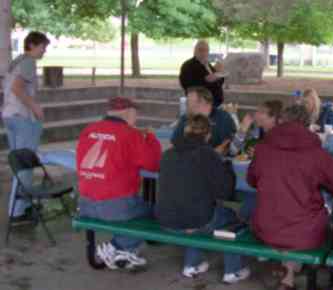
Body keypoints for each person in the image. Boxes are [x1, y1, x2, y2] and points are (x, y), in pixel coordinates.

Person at [247, 105, 333, 290]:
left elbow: (251, 180)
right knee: (320, 212)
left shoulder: (263, 148)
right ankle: (301, 269)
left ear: (281, 121)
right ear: (308, 124)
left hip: (266, 227)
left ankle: (288, 273)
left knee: (290, 212)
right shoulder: (316, 153)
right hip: (304, 232)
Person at [156, 114, 250, 283]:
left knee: (192, 209)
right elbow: (225, 192)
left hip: (166, 220)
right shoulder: (207, 155)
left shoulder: (167, 154)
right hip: (195, 220)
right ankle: (233, 270)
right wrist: (224, 164)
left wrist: (214, 158)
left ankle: (192, 264)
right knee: (236, 217)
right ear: (208, 134)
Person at [76, 97, 162, 269]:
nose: (136, 117)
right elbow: (154, 164)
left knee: (134, 208)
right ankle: (117, 246)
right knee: (159, 214)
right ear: (129, 113)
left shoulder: (88, 130)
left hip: (85, 203)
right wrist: (150, 137)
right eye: (135, 113)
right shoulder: (131, 134)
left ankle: (126, 252)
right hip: (116, 207)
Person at [3, 31, 49, 221]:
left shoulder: (17, 60)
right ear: (31, 45)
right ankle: (20, 209)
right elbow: (17, 88)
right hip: (23, 119)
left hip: (9, 116)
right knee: (26, 165)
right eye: (42, 47)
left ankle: (19, 206)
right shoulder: (29, 62)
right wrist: (35, 107)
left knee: (18, 163)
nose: (44, 51)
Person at [171, 86, 236, 155]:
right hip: (190, 161)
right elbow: (175, 146)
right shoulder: (185, 118)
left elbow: (228, 148)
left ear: (203, 102)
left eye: (189, 101)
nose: (187, 104)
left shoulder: (223, 118)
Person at [179, 40, 225, 107]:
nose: (204, 52)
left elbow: (218, 83)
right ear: (194, 51)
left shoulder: (207, 64)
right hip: (200, 104)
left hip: (214, 103)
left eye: (206, 50)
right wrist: (206, 80)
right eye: (200, 50)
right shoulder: (188, 66)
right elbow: (187, 86)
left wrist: (219, 73)